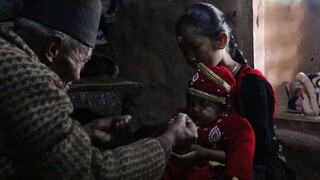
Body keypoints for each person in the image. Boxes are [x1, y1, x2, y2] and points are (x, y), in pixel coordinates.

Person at [0, 0, 198, 179]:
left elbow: (23, 148)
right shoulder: (28, 78)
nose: (78, 76)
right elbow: (92, 172)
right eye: (82, 62)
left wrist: (82, 135)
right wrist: (167, 141)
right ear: (52, 49)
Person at [174, 2, 296, 179]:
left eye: (196, 47)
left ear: (221, 40)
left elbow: (260, 153)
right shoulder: (202, 81)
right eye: (184, 51)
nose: (190, 58)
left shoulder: (252, 85)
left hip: (254, 167)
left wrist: (205, 154)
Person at [155, 63, 255, 180]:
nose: (195, 109)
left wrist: (205, 153)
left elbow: (240, 158)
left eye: (204, 104)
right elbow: (158, 141)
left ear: (224, 110)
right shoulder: (183, 116)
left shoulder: (237, 126)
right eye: (192, 103)